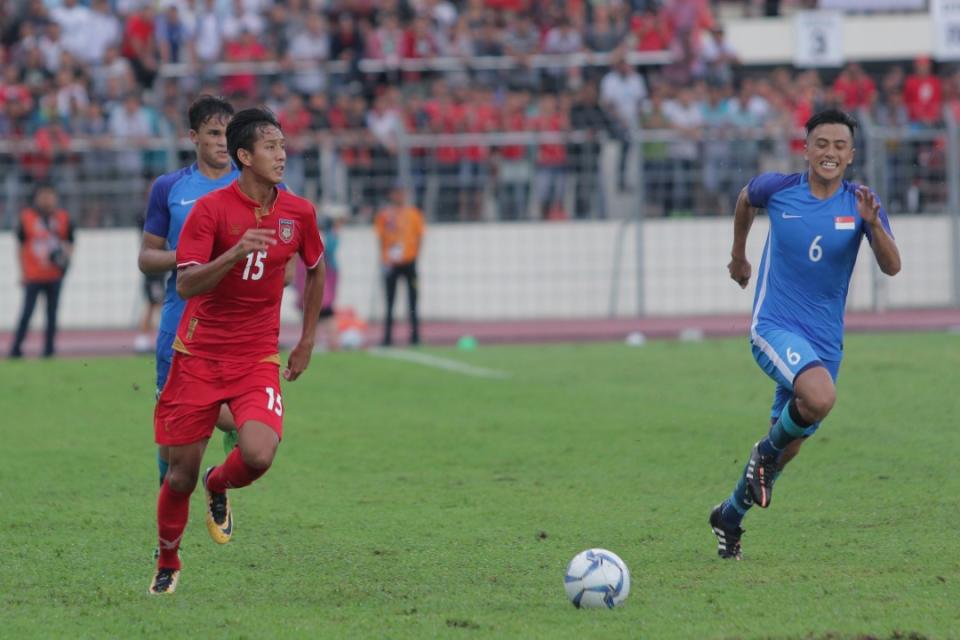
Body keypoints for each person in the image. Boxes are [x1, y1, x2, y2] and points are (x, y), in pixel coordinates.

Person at [709, 109, 901, 560]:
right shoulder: (778, 189)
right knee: (819, 398)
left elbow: (892, 266)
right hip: (774, 327)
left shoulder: (861, 203)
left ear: (851, 155)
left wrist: (873, 224)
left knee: (786, 447)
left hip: (824, 343)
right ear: (806, 148)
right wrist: (739, 257)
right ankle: (763, 452)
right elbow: (744, 200)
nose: (829, 153)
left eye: (839, 146)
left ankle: (729, 516)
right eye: (822, 144)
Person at [149, 107, 325, 594]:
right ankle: (168, 561)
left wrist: (306, 339)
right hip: (198, 355)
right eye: (270, 147)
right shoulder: (210, 211)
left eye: (283, 146)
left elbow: (317, 268)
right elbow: (185, 283)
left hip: (257, 357)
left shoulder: (298, 211)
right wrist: (233, 253)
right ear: (244, 156)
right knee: (177, 474)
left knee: (259, 453)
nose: (281, 155)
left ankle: (219, 483)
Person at [139, 95, 240, 488]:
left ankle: (222, 476)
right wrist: (186, 256)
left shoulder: (253, 182)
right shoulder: (169, 187)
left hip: (232, 321)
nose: (222, 141)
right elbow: (147, 257)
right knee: (172, 440)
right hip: (179, 321)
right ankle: (166, 537)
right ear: (193, 136)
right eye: (214, 133)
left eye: (228, 134)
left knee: (243, 421)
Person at [9, 183, 74, 359]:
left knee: (52, 314)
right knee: (26, 313)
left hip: (54, 274)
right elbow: (21, 246)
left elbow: (70, 242)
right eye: (43, 195)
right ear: (37, 197)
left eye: (50, 195)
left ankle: (49, 350)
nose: (47, 199)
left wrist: (65, 262)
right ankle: (15, 349)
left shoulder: (63, 217)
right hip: (33, 274)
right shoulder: (27, 217)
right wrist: (22, 272)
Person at [374, 186, 425, 347]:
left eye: (402, 193)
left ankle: (415, 336)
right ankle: (387, 338)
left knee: (413, 301)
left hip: (409, 262)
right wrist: (384, 259)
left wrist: (415, 256)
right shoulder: (384, 215)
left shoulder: (414, 214)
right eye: (397, 193)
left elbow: (420, 236)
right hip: (391, 263)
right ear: (392, 195)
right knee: (390, 301)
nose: (399, 196)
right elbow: (381, 238)